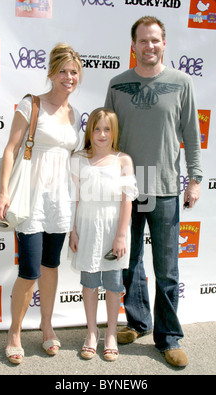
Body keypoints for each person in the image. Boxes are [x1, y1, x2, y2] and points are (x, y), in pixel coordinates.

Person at [104, 16, 203, 367]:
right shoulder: (117, 85)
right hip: (130, 188)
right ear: (133, 45)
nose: (149, 46)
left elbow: (191, 134)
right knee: (129, 263)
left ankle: (169, 337)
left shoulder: (181, 83)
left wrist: (195, 178)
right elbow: (107, 138)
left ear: (164, 44)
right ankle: (138, 321)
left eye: (155, 40)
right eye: (143, 41)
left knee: (167, 269)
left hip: (162, 187)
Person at [0, 43, 83, 364]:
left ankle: (47, 326)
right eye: (62, 71)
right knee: (29, 271)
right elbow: (10, 149)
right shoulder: (31, 104)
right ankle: (14, 333)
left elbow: (72, 161)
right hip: (30, 201)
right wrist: (4, 192)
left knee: (50, 267)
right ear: (51, 73)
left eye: (74, 72)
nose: (68, 77)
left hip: (61, 202)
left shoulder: (74, 114)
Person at [69, 108, 138, 362]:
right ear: (90, 131)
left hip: (112, 227)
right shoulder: (77, 158)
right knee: (89, 281)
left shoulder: (123, 160)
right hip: (86, 225)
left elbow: (127, 200)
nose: (101, 134)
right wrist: (73, 231)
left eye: (107, 129)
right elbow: (73, 198)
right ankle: (91, 333)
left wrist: (120, 235)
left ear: (114, 132)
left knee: (112, 283)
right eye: (97, 128)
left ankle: (110, 332)